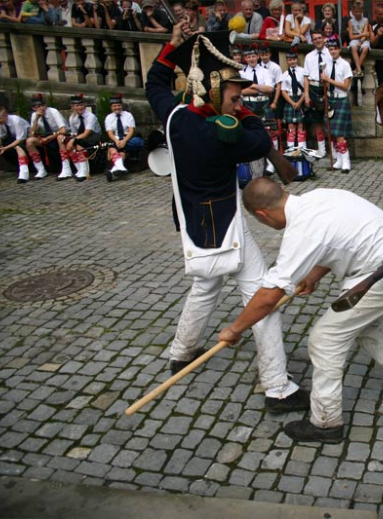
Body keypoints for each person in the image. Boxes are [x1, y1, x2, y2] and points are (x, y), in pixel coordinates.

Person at [145, 24, 307, 412]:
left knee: (206, 285)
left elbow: (155, 81)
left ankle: (182, 353)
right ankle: (277, 386)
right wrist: (243, 113)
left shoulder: (176, 118)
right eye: (234, 97)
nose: (239, 103)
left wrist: (173, 45)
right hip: (225, 224)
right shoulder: (224, 135)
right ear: (216, 92)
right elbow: (260, 138)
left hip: (192, 222)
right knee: (261, 297)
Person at [218, 178, 383, 443]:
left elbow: (268, 296)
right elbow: (337, 241)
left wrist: (234, 329)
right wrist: (314, 273)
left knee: (326, 338)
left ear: (262, 215)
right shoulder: (319, 197)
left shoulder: (302, 230)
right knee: (359, 325)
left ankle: (326, 423)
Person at [322, 38, 353, 172]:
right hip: (331, 99)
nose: (333, 51)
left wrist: (329, 80)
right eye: (330, 49)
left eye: (335, 49)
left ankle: (346, 161)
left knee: (339, 133)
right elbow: (327, 84)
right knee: (332, 132)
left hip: (341, 99)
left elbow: (345, 86)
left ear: (339, 49)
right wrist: (325, 82)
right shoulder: (326, 65)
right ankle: (339, 161)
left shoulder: (345, 65)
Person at [26, 94, 70, 181]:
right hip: (47, 137)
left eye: (43, 105)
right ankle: (41, 170)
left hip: (60, 135)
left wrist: (49, 138)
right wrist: (36, 120)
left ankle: (66, 168)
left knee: (60, 137)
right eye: (38, 107)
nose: (42, 108)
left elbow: (63, 129)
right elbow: (31, 134)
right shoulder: (35, 115)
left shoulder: (53, 112)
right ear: (34, 108)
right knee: (29, 141)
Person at [303, 29, 332, 158]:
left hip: (328, 88)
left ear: (324, 38)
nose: (318, 41)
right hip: (314, 88)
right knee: (317, 122)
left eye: (319, 38)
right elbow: (306, 77)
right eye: (315, 39)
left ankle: (335, 151)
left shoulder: (331, 54)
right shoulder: (309, 56)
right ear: (312, 41)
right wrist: (307, 95)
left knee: (331, 120)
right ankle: (322, 150)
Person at [104, 94, 143, 182]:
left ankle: (113, 170)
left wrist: (124, 141)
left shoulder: (128, 115)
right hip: (116, 139)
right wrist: (117, 140)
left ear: (121, 106)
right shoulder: (108, 118)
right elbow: (110, 133)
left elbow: (131, 130)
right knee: (116, 148)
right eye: (114, 106)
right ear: (111, 107)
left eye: (119, 105)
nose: (117, 108)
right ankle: (120, 168)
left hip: (128, 138)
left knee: (113, 148)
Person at [63, 94, 100, 182]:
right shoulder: (72, 118)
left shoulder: (90, 116)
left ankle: (84, 170)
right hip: (80, 137)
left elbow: (87, 132)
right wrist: (71, 140)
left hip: (93, 137)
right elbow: (74, 133)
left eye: (81, 105)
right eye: (77, 105)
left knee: (77, 143)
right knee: (67, 142)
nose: (80, 107)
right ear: (73, 107)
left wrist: (74, 140)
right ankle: (79, 169)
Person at [238, 45, 274, 120]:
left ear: (258, 56)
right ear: (245, 59)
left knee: (267, 130)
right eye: (249, 57)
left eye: (253, 56)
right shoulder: (241, 73)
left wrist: (253, 86)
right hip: (248, 104)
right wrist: (262, 88)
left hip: (264, 103)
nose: (251, 59)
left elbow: (270, 89)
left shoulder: (266, 72)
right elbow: (241, 91)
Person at [280, 48, 306, 150]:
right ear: (287, 61)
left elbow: (306, 89)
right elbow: (283, 91)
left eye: (294, 59)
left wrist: (299, 102)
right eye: (289, 60)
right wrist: (292, 103)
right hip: (290, 100)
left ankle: (301, 148)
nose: (292, 61)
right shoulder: (285, 74)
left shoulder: (303, 72)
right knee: (291, 125)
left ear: (297, 59)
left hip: (301, 98)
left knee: (300, 124)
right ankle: (291, 149)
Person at [347, 0, 372, 78]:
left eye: (360, 11)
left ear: (362, 11)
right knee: (353, 48)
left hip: (363, 39)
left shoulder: (365, 20)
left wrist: (361, 41)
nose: (358, 13)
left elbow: (365, 33)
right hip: (354, 39)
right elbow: (351, 36)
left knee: (365, 48)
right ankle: (359, 69)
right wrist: (362, 35)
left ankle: (357, 69)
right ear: (353, 12)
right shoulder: (351, 21)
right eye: (356, 12)